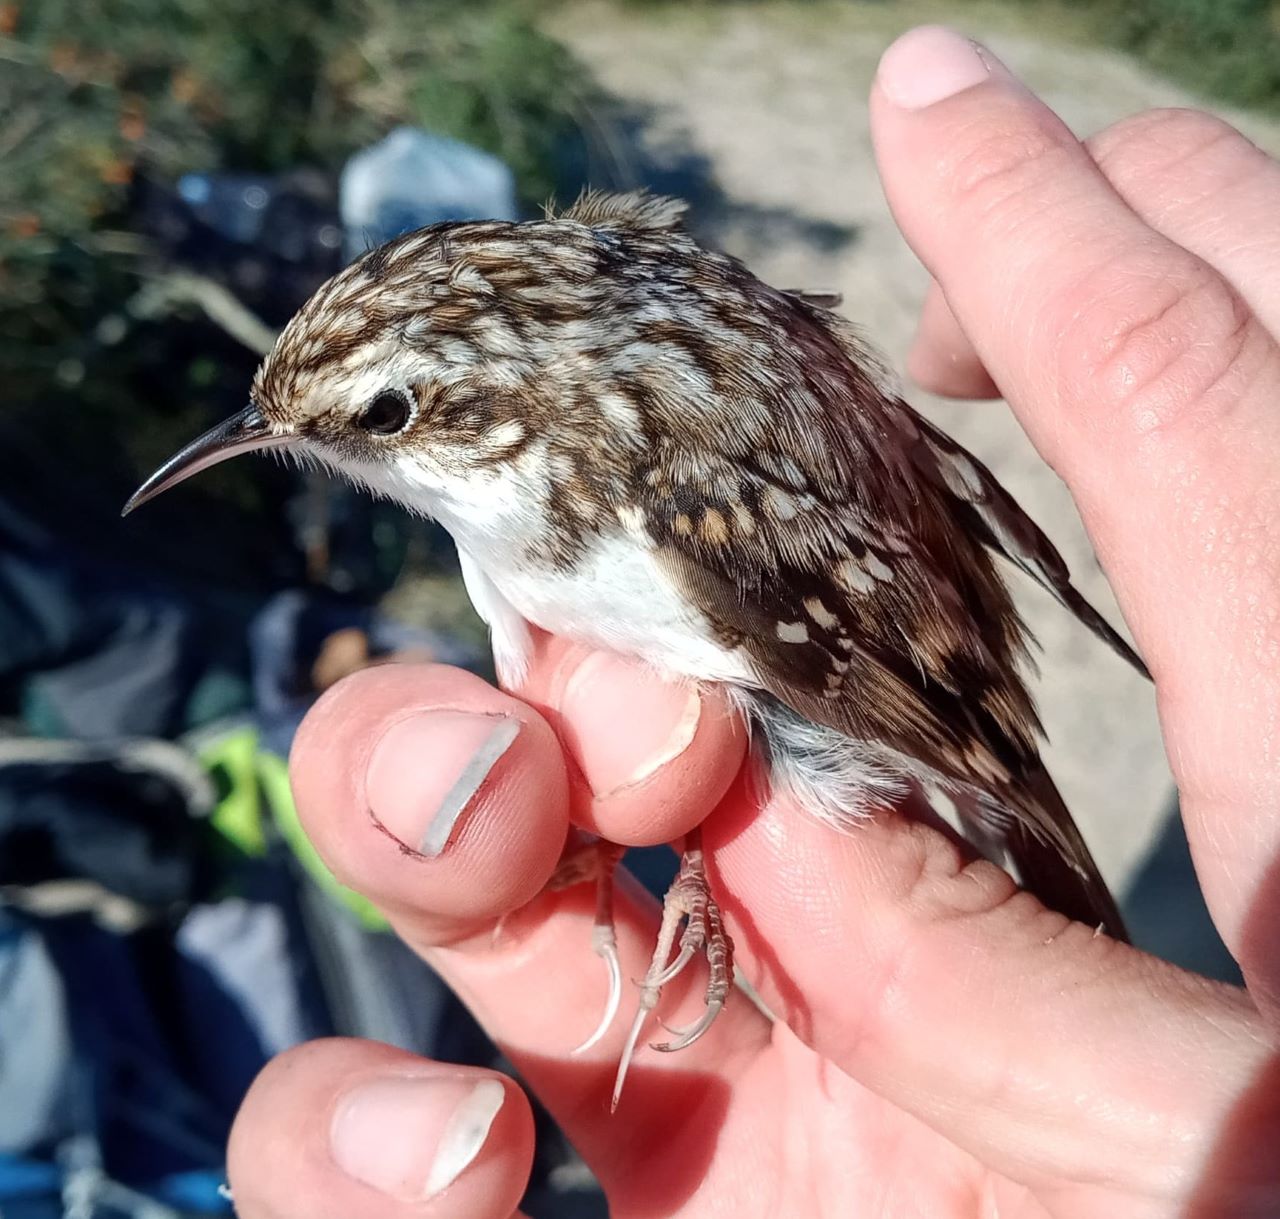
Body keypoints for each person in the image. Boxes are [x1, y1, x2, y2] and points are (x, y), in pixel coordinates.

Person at [223, 26, 1280, 1218]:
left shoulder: (662, 490)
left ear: (496, 413)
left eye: (384, 415)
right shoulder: (529, 484)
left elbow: (886, 676)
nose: (340, 452)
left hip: (875, 672)